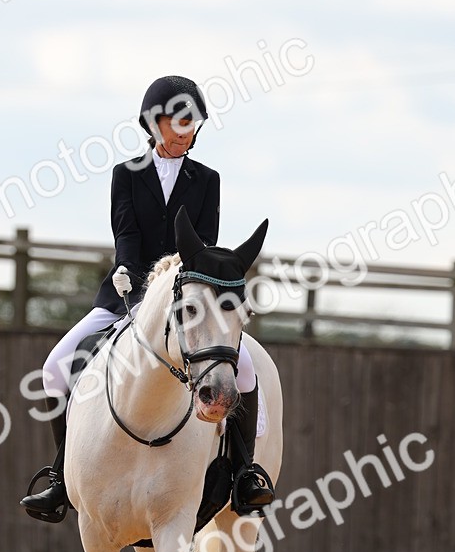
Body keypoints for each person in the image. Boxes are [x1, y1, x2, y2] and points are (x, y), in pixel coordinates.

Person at [20, 74, 273, 521]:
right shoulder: (126, 175)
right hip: (125, 291)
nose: (186, 132)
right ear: (154, 124)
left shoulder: (207, 180)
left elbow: (201, 245)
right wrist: (128, 277)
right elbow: (127, 233)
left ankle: (244, 473)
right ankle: (62, 477)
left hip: (188, 298)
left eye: (192, 124)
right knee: (55, 367)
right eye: (178, 122)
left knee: (247, 369)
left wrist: (182, 291)